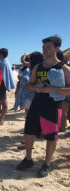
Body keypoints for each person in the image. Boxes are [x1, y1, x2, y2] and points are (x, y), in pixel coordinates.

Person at [17, 35, 70, 177]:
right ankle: (28, 159)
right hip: (37, 102)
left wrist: (52, 89)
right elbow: (31, 85)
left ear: (57, 48)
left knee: (51, 136)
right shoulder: (37, 67)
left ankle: (47, 163)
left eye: (48, 47)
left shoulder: (64, 68)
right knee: (29, 131)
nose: (45, 50)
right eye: (43, 47)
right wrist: (32, 87)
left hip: (53, 105)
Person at [0, 48, 16, 124]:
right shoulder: (5, 61)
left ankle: (1, 119)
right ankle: (0, 118)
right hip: (3, 85)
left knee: (2, 103)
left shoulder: (3, 63)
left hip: (2, 85)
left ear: (1, 54)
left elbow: (1, 76)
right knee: (1, 102)